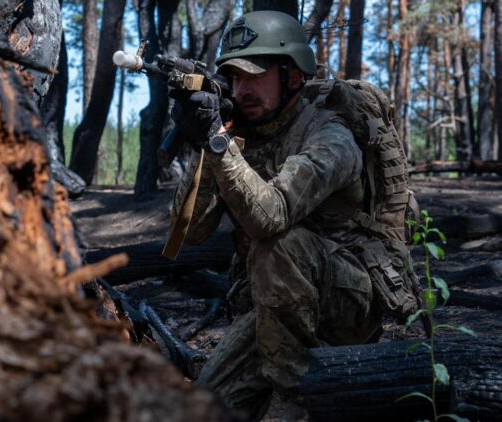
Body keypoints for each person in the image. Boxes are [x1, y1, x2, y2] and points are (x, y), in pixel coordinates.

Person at [168, 10, 408, 419]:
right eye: (236, 77)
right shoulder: (239, 128)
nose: (243, 88)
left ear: (292, 75)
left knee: (278, 245)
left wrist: (220, 143)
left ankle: (294, 398)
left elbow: (270, 217)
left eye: (255, 75)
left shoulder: (332, 134)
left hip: (350, 300)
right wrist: (207, 144)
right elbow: (191, 232)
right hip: (277, 306)